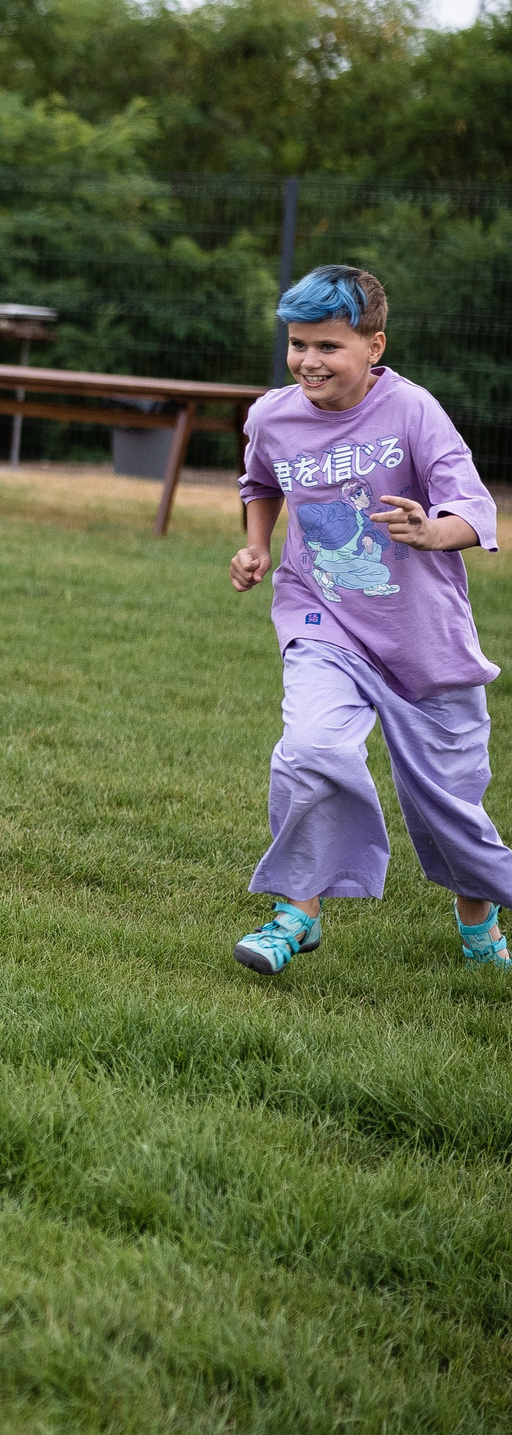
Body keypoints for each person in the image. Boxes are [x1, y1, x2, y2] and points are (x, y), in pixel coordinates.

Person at [227, 264, 511, 974]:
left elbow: (475, 508)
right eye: (298, 344)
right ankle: (298, 910)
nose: (309, 361)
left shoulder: (413, 411)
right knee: (311, 749)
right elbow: (260, 480)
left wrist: (430, 530)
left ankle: (480, 926)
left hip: (423, 638)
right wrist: (258, 545)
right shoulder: (271, 415)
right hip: (324, 619)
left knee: (452, 803)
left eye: (329, 346)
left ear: (374, 346)